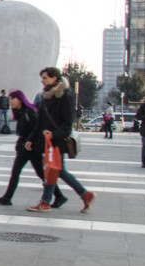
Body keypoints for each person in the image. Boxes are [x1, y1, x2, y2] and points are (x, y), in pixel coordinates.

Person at [26, 66, 95, 213]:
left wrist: (54, 134)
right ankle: (84, 195)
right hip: (47, 140)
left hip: (56, 141)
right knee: (56, 171)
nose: (42, 81)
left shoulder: (65, 95)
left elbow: (67, 123)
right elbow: (41, 121)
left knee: (55, 170)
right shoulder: (47, 95)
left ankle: (46, 202)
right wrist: (32, 138)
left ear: (54, 78)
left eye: (45, 78)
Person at [0, 90, 66, 207]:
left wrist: (30, 141)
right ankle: (7, 197)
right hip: (24, 147)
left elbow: (37, 129)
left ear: (20, 99)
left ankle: (60, 196)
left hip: (30, 148)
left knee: (40, 174)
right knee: (19, 172)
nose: (10, 101)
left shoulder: (29, 112)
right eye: (10, 99)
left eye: (13, 99)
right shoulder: (21, 112)